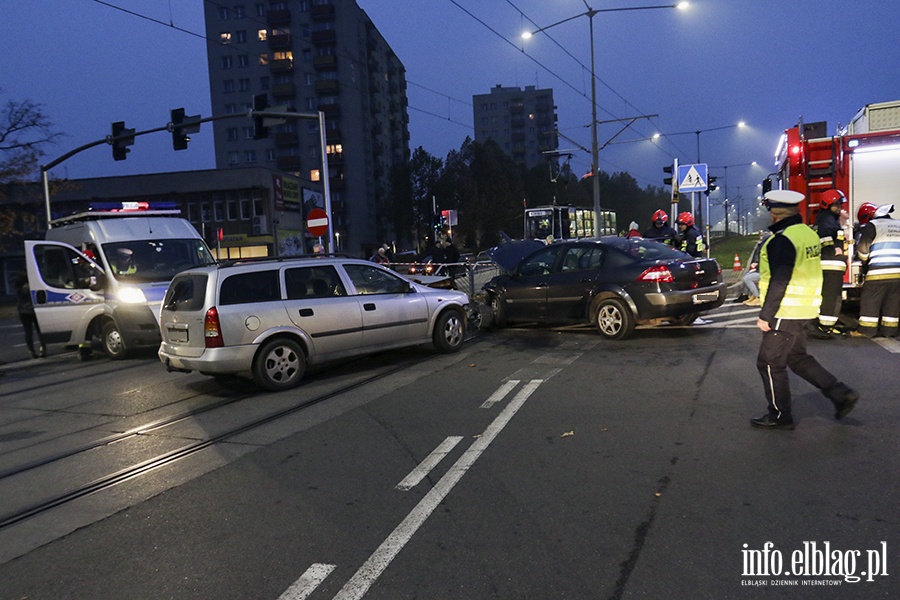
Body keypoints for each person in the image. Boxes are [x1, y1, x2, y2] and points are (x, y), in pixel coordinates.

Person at [750, 190, 858, 430]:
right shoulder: (807, 234)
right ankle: (840, 394)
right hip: (806, 307)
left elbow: (780, 279)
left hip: (785, 310)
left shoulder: (781, 240)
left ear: (775, 214)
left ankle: (779, 415)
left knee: (768, 363)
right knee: (797, 358)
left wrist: (765, 315)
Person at [854, 203, 900, 338]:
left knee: (871, 300)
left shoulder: (872, 226)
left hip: (878, 272)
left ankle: (866, 331)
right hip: (898, 273)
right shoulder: (898, 224)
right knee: (893, 302)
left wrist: (864, 261)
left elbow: (863, 249)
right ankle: (889, 331)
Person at [810, 189, 849, 338]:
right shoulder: (827, 220)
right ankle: (825, 328)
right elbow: (825, 240)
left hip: (829, 264)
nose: (839, 207)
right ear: (827, 204)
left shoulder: (828, 218)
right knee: (831, 297)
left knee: (830, 296)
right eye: (836, 204)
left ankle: (826, 325)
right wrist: (836, 248)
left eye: (840, 204)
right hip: (830, 264)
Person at [13, 272, 46, 359]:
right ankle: (43, 348)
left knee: (28, 332)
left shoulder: (19, 288)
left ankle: (31, 350)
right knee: (39, 330)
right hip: (34, 310)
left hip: (23, 310)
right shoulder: (32, 286)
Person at [733, 231, 770, 306]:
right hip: (763, 271)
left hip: (765, 273)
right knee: (747, 274)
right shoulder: (766, 248)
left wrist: (756, 267)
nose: (760, 239)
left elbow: (765, 263)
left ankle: (758, 296)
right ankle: (748, 295)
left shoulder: (766, 249)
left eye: (762, 237)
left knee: (747, 278)